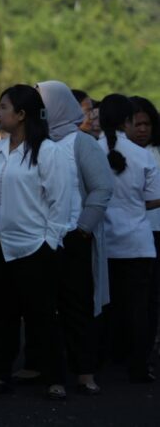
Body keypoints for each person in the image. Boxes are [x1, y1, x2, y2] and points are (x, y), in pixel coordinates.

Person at [0, 85, 70, 399]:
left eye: (4, 107)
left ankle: (55, 377)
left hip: (35, 246)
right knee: (3, 315)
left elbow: (61, 202)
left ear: (21, 114)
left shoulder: (47, 151)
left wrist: (50, 241)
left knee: (42, 315)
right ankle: (0, 374)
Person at [38, 80, 113, 394]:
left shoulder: (81, 142)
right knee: (44, 309)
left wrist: (84, 226)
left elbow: (101, 186)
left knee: (77, 306)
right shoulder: (36, 141)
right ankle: (52, 375)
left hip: (73, 236)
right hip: (41, 237)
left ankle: (84, 371)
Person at [99, 93, 160, 383]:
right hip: (137, 241)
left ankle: (104, 359)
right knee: (139, 308)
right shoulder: (143, 155)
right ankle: (138, 365)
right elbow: (153, 200)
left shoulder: (89, 150)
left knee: (104, 305)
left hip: (102, 242)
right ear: (127, 120)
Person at [126, 96, 160, 357]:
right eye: (136, 124)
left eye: (146, 124)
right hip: (130, 236)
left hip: (156, 232)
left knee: (152, 298)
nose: (142, 129)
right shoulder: (117, 152)